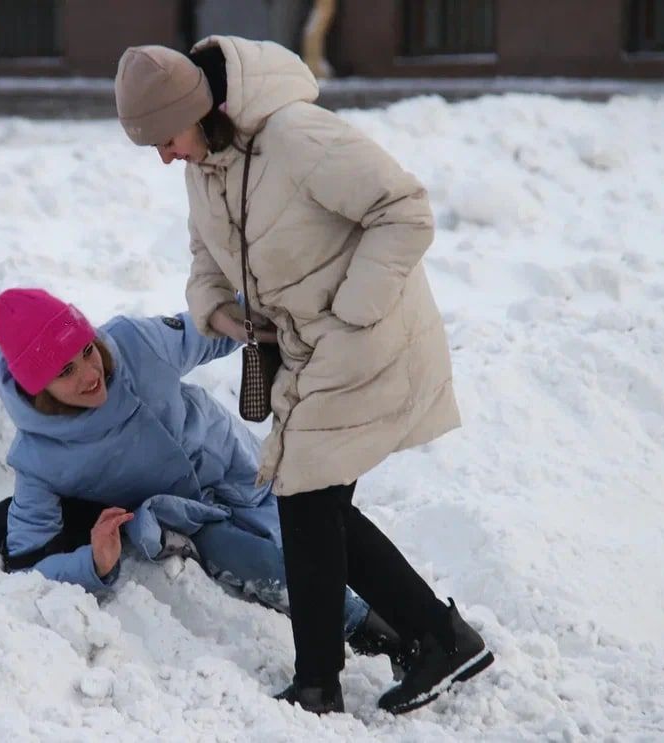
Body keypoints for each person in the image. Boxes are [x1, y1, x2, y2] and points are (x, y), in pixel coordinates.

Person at [114, 36, 494, 715]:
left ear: (194, 110)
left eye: (164, 139)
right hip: (304, 349)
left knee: (305, 497)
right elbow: (207, 253)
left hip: (363, 338)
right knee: (313, 504)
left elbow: (403, 210)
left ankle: (331, 676)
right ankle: (431, 637)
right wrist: (220, 314)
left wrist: (351, 309)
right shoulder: (205, 165)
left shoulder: (296, 136)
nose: (165, 156)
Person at [0, 287, 408, 668]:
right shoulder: (37, 458)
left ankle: (419, 621)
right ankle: (372, 634)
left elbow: (210, 329)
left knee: (319, 529)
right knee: (265, 563)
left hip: (238, 465)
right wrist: (93, 562)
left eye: (85, 350)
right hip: (189, 517)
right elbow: (28, 566)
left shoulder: (135, 345)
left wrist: (273, 303)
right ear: (37, 389)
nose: (89, 372)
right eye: (64, 371)